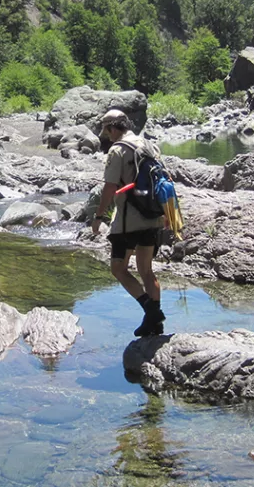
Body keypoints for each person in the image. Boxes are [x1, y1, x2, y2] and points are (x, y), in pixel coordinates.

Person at [90, 109, 167, 337]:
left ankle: (151, 312)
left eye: (106, 130)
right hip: (153, 216)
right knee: (146, 271)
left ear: (112, 128)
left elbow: (109, 187)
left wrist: (99, 216)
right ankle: (156, 325)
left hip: (128, 221)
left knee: (118, 269)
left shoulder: (118, 150)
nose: (106, 135)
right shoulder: (149, 145)